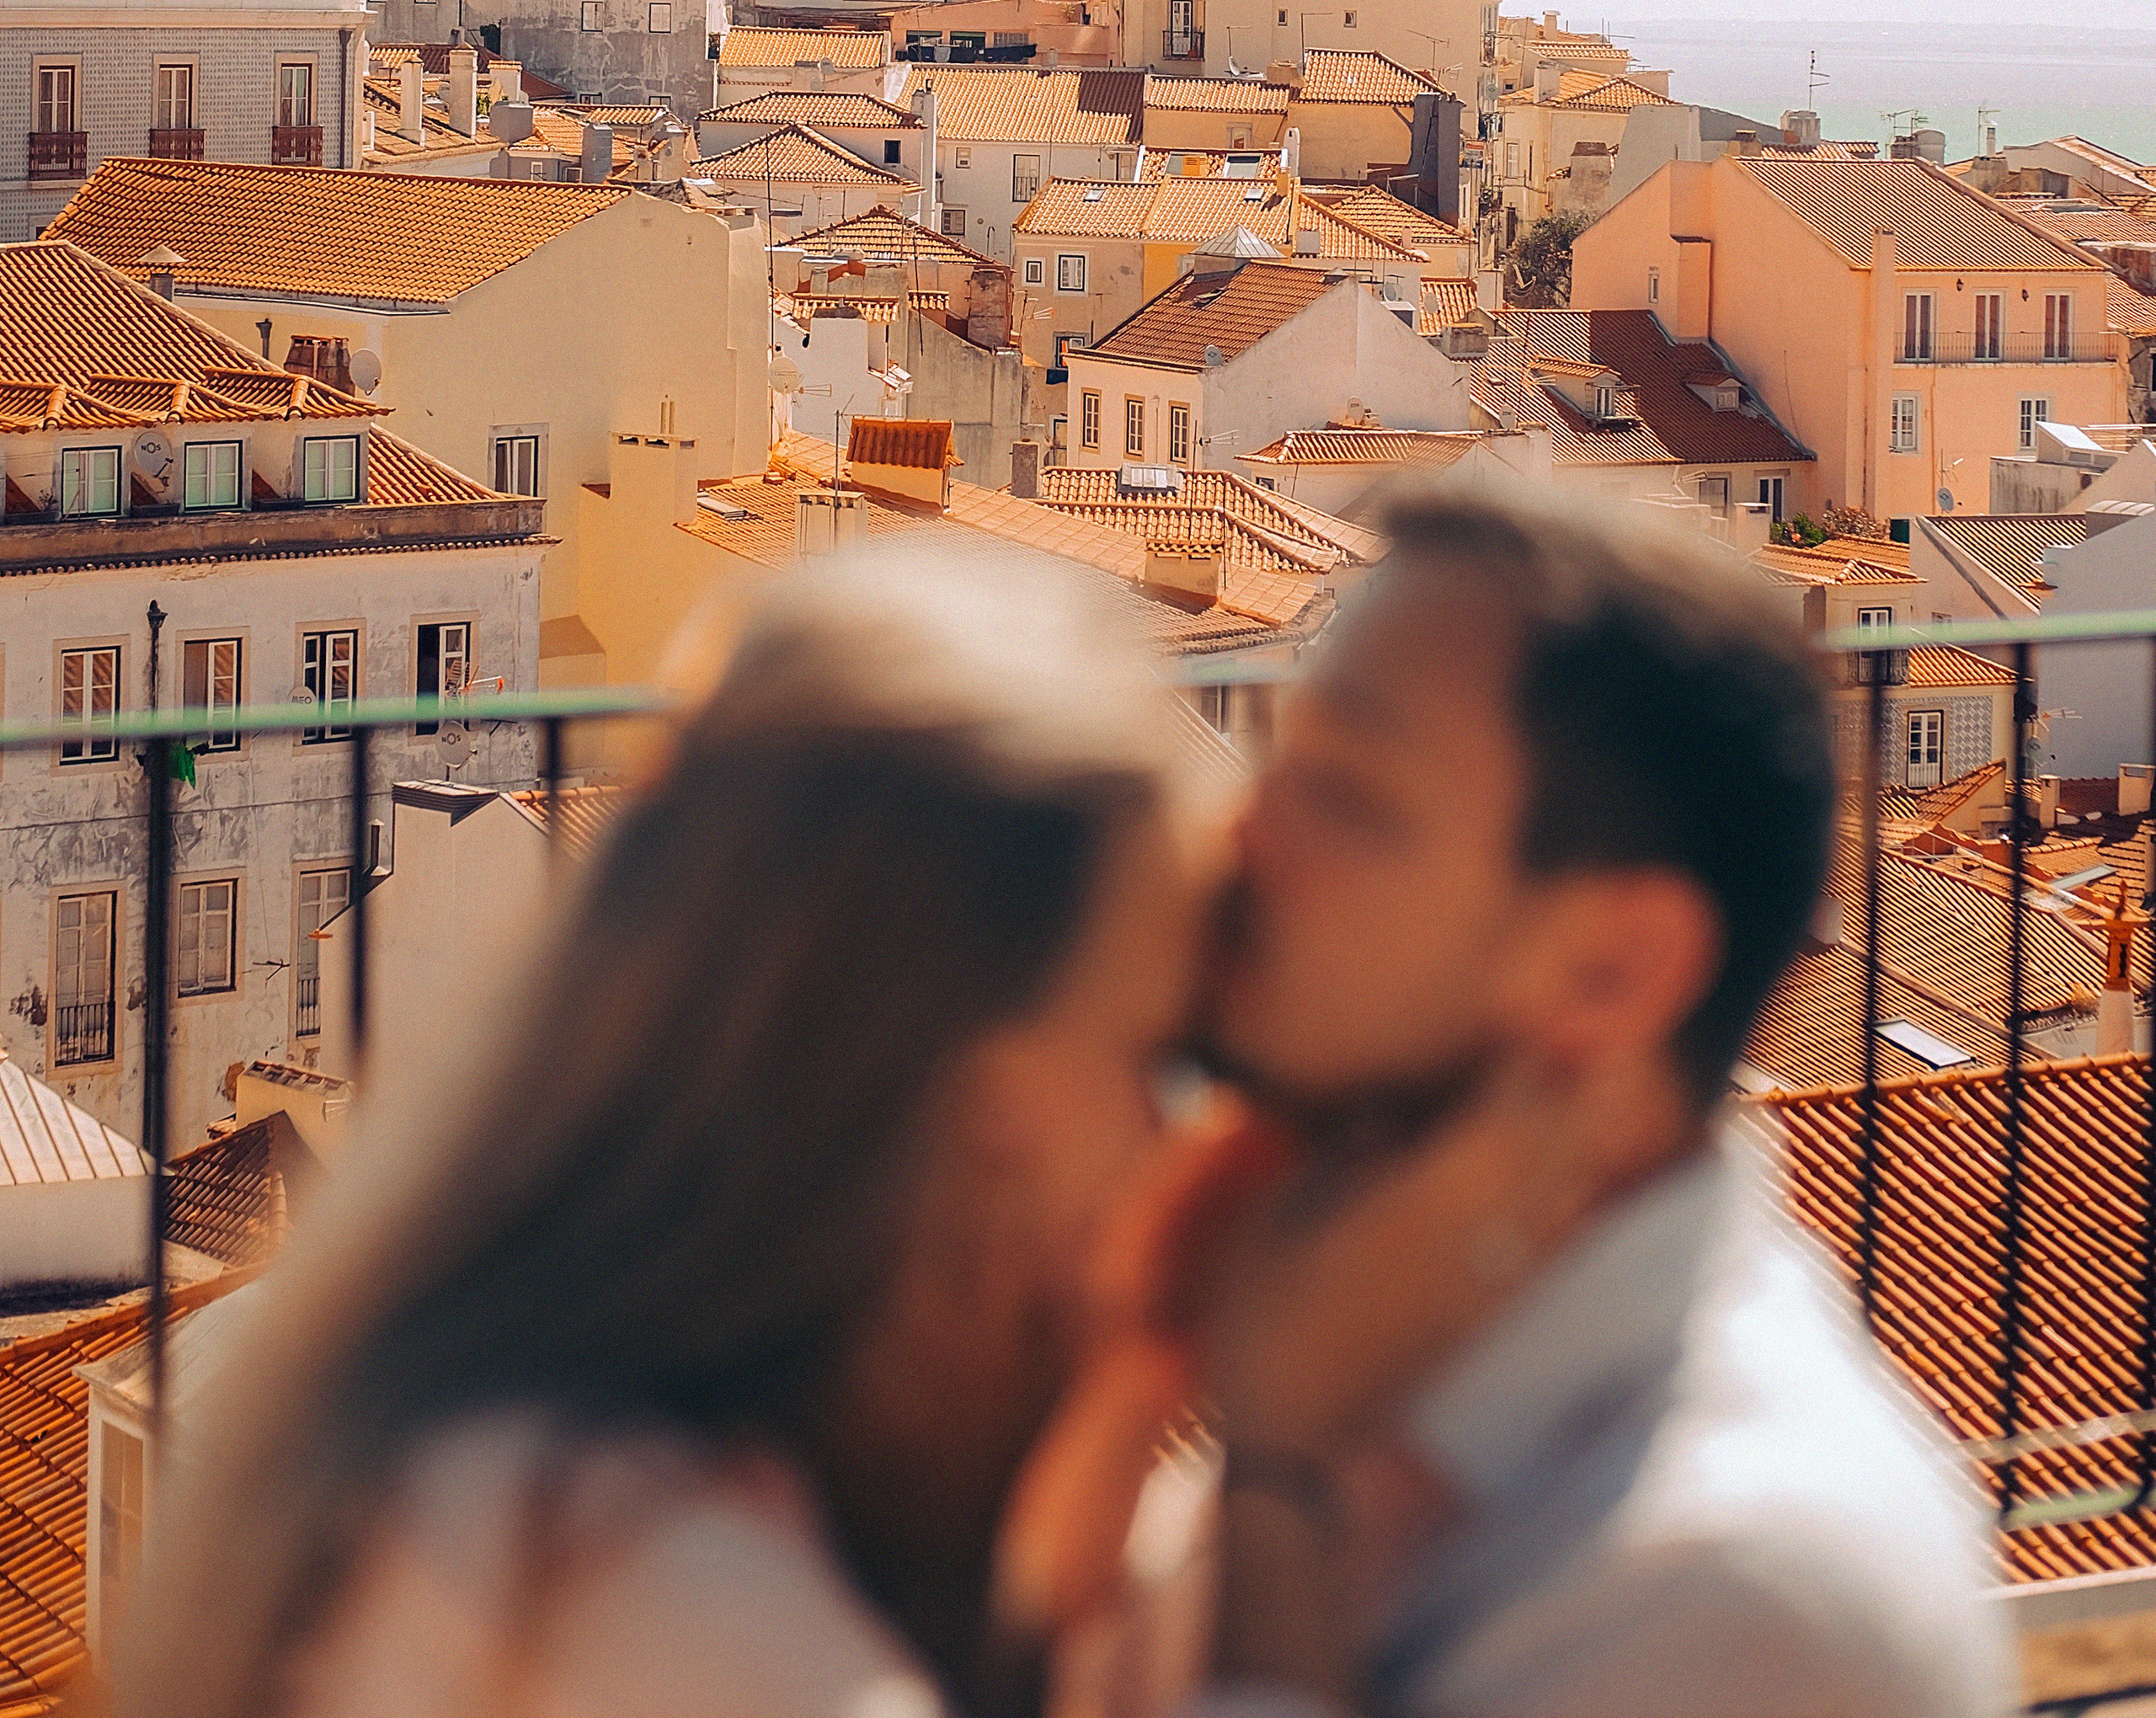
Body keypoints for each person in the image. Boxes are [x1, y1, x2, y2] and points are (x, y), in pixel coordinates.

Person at [110, 543, 1228, 1718]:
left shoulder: (479, 1442)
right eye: (1157, 1057)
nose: (1176, 1140)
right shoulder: (657, 1600)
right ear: (975, 1087)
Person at [1187, 485, 2013, 1718]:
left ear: (1615, 970)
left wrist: (1269, 1478)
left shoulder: (1727, 1601)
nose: (1237, 834)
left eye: (1349, 795)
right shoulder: (1362, 1318)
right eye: (1277, 762)